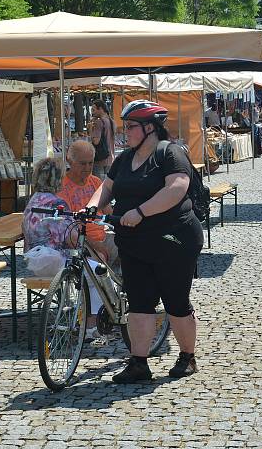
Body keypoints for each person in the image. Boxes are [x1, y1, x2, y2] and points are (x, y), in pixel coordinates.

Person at [86, 99, 203, 383]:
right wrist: (91, 207)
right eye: (125, 126)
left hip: (172, 239)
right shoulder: (125, 158)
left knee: (176, 302)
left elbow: (176, 188)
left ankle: (187, 357)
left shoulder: (170, 153)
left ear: (150, 128)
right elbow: (108, 187)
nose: (126, 131)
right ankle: (139, 362)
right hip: (134, 242)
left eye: (131, 126)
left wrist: (140, 212)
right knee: (139, 303)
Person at [22, 156, 102, 333]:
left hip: (33, 259)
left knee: (91, 269)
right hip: (53, 261)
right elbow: (70, 237)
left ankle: (87, 318)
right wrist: (94, 250)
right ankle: (91, 324)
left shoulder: (33, 200)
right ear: (58, 179)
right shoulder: (56, 203)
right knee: (98, 273)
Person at [57, 140, 115, 265]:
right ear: (70, 161)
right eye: (83, 164)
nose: (87, 168)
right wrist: (95, 245)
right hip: (79, 242)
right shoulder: (62, 188)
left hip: (103, 237)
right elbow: (68, 230)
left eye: (91, 163)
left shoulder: (95, 181)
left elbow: (109, 212)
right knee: (98, 262)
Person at [90, 99, 115, 179]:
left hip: (99, 159)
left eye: (94, 110)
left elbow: (96, 141)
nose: (92, 113)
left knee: (98, 186)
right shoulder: (112, 121)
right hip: (110, 158)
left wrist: (90, 129)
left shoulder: (99, 122)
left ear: (100, 109)